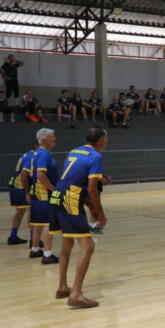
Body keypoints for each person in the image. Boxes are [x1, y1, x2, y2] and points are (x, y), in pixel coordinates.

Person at [50, 126, 108, 309]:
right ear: (99, 140)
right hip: (70, 199)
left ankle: (62, 287)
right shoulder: (96, 156)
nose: (107, 142)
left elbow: (75, 181)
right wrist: (100, 213)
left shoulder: (75, 150)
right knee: (88, 246)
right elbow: (91, 189)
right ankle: (76, 294)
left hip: (57, 196)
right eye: (106, 139)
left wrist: (92, 208)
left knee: (67, 243)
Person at [29, 128, 59, 264]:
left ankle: (35, 250)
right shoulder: (43, 154)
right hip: (44, 193)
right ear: (43, 140)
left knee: (39, 223)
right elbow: (41, 176)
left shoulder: (39, 153)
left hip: (38, 192)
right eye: (52, 137)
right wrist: (53, 190)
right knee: (48, 222)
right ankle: (47, 254)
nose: (55, 139)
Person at [7, 143, 37, 245]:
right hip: (21, 187)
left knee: (20, 212)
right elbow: (24, 174)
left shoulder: (26, 154)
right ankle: (34, 239)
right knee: (31, 211)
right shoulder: (33, 156)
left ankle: (13, 236)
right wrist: (27, 192)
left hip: (14, 185)